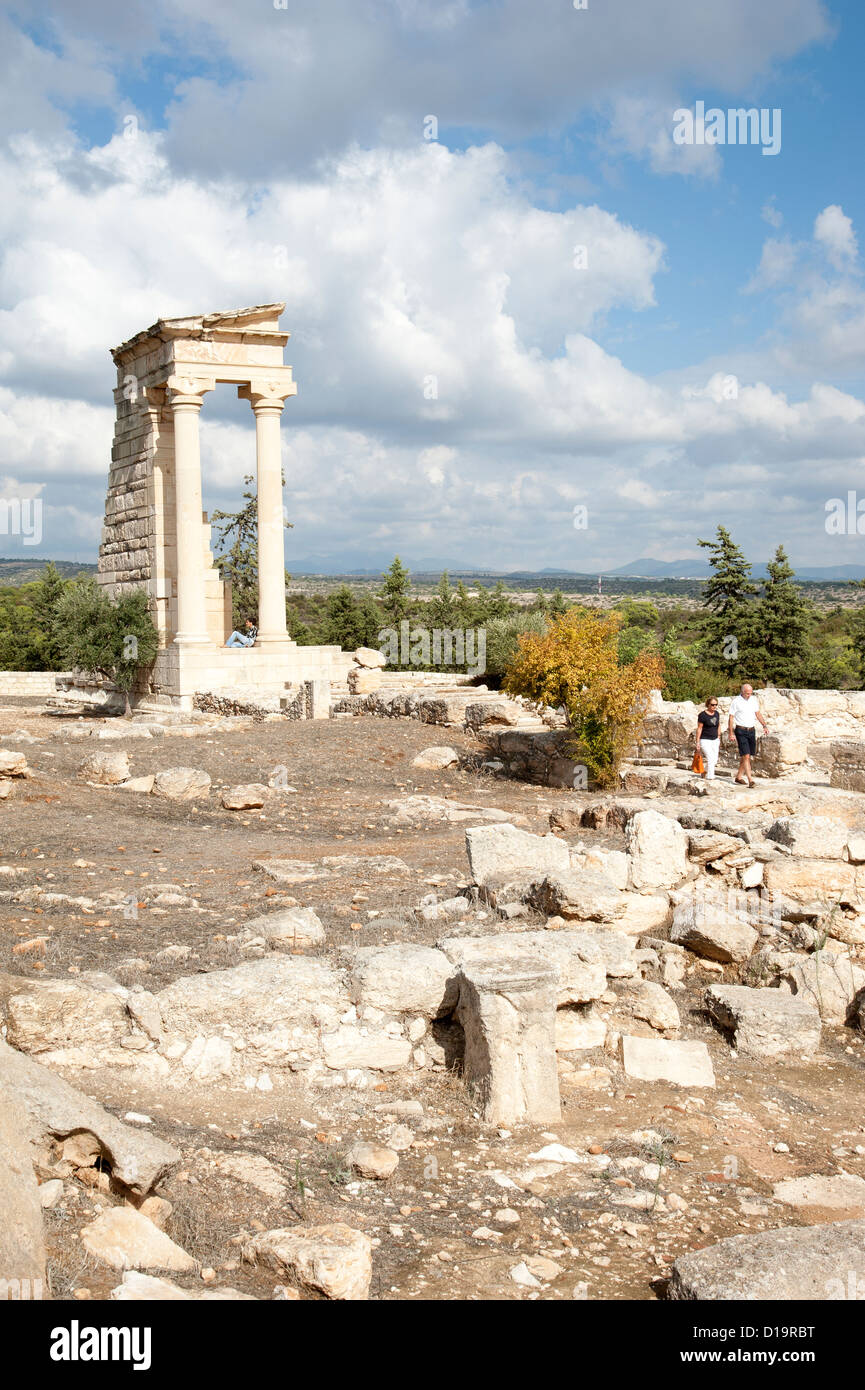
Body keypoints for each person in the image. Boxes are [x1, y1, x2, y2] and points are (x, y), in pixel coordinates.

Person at [727, 683, 768, 787]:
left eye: (750, 693)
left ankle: (739, 777)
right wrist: (731, 733)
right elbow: (731, 717)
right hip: (741, 730)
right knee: (746, 755)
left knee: (748, 755)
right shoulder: (736, 701)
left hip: (751, 730)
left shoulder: (753, 700)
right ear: (742, 692)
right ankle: (750, 780)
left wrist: (764, 725)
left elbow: (757, 713)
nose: (749, 695)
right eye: (747, 693)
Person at [695, 696, 721, 781]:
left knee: (714, 759)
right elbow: (699, 728)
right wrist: (697, 742)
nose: (714, 706)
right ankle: (711, 777)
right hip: (705, 739)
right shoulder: (702, 715)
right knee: (710, 757)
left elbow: (718, 725)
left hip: (715, 739)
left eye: (716, 705)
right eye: (712, 705)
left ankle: (704, 771)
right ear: (708, 704)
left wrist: (719, 736)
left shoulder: (717, 714)